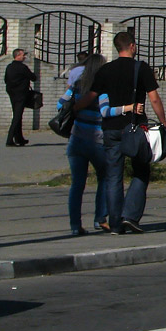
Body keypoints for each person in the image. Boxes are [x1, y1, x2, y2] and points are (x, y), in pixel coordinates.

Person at [90, 31, 166, 234]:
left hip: (110, 129)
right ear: (132, 46)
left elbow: (93, 96)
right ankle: (130, 216)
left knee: (113, 176)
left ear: (117, 48)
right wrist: (163, 122)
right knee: (141, 170)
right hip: (134, 128)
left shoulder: (105, 70)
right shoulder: (140, 68)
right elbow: (154, 98)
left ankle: (115, 224)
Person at [59, 53, 109, 236]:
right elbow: (105, 111)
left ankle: (75, 225)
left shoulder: (77, 85)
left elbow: (60, 105)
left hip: (76, 139)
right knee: (105, 177)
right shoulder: (103, 89)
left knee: (77, 184)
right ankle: (100, 219)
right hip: (97, 140)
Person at [5, 47, 37, 147]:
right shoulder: (22, 67)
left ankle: (19, 138)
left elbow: (6, 80)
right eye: (23, 55)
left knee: (17, 115)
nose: (24, 57)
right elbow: (33, 77)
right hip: (21, 95)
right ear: (18, 56)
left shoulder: (9, 67)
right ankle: (10, 139)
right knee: (17, 116)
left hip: (12, 94)